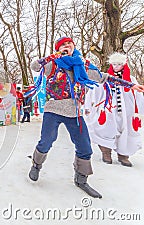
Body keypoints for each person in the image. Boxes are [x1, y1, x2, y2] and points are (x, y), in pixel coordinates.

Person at [26, 36, 144, 198]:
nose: (67, 46)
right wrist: (54, 56)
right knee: (47, 140)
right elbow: (34, 66)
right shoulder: (53, 64)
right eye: (63, 45)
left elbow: (105, 78)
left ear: (74, 46)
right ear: (58, 48)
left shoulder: (85, 65)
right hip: (53, 109)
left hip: (75, 111)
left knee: (84, 147)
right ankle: (36, 164)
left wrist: (131, 85)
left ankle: (81, 179)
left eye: (69, 43)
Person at [84, 52, 144, 167]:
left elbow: (138, 95)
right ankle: (106, 152)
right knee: (106, 129)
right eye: (114, 64)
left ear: (124, 65)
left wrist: (140, 109)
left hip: (127, 110)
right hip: (108, 110)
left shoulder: (131, 79)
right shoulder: (106, 78)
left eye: (119, 64)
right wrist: (89, 106)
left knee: (126, 130)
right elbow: (95, 91)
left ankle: (123, 155)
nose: (116, 67)